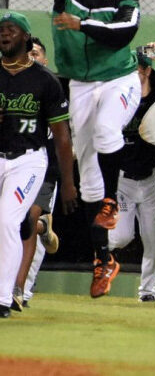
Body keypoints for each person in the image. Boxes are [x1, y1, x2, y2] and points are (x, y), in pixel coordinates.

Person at [37, 0, 141, 298]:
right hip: (80, 84)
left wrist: (82, 26)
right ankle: (104, 259)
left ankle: (112, 201)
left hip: (118, 78)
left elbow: (124, 32)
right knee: (89, 177)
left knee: (107, 129)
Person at [0, 11, 76, 318]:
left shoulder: (46, 81)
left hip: (28, 161)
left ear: (26, 37)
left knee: (7, 221)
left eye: (12, 29)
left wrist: (69, 184)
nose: (5, 33)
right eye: (2, 29)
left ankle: (5, 297)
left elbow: (62, 136)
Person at [108, 45, 155, 302]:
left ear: (147, 70)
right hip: (124, 180)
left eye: (135, 72)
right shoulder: (119, 97)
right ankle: (101, 255)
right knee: (121, 236)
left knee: (153, 239)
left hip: (151, 180)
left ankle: (147, 291)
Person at [15, 39, 62, 309]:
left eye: (36, 53)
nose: (31, 57)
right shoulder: (9, 84)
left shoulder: (51, 88)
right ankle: (46, 228)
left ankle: (21, 290)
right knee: (14, 225)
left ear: (44, 60)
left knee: (30, 219)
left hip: (44, 168)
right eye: (27, 53)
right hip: (11, 163)